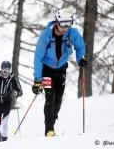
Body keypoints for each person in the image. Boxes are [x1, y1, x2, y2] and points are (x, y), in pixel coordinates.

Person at [32, 8, 87, 137]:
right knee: (50, 97)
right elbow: (38, 57)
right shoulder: (46, 35)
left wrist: (81, 58)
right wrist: (37, 80)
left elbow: (80, 46)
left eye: (69, 24)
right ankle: (49, 128)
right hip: (47, 69)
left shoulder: (72, 33)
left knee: (58, 100)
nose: (65, 28)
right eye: (63, 24)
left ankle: (52, 120)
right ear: (57, 22)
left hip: (61, 68)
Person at [0, 61, 23, 142]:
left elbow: (18, 88)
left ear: (9, 70)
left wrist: (19, 92)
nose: (5, 73)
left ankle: (4, 140)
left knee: (5, 121)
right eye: (3, 70)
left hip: (7, 102)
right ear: (1, 69)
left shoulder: (12, 78)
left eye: (7, 70)